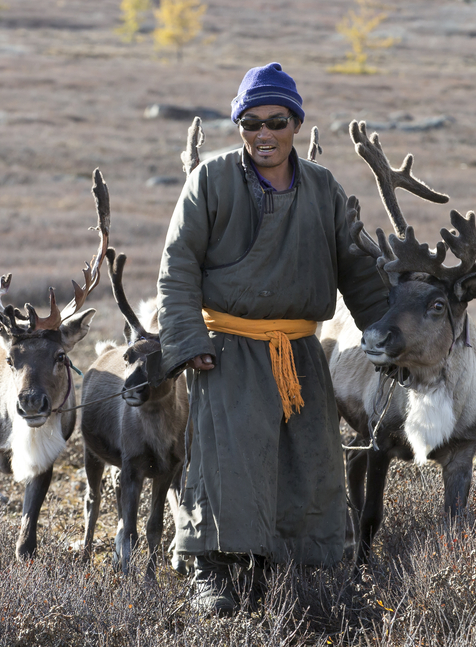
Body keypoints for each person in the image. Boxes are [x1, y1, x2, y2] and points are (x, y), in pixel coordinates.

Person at [155, 62, 389, 615]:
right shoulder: (209, 181)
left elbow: (356, 269)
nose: (264, 133)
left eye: (277, 121)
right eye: (250, 122)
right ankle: (212, 575)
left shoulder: (323, 189)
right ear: (239, 126)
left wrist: (384, 331)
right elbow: (178, 266)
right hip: (227, 352)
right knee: (226, 464)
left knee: (310, 462)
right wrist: (189, 341)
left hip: (299, 355)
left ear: (295, 122)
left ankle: (296, 575)